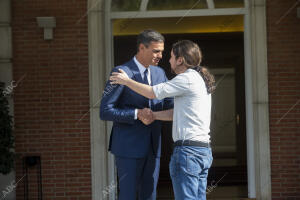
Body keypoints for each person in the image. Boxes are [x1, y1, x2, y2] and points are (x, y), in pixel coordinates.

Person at [110, 40, 216, 200]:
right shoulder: (200, 79)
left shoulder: (186, 78)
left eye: (172, 56)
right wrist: (152, 115)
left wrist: (126, 81)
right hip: (203, 152)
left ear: (180, 60)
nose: (168, 60)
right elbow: (176, 113)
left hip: (188, 153)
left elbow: (152, 92)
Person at [99, 30, 173, 200]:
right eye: (156, 51)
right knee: (128, 195)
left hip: (153, 147)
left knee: (150, 195)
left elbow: (170, 104)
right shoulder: (120, 72)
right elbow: (105, 111)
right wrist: (136, 113)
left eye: (162, 51)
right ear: (141, 47)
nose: (160, 55)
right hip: (128, 147)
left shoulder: (159, 73)